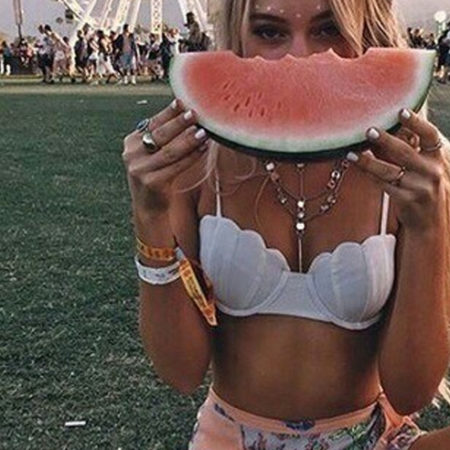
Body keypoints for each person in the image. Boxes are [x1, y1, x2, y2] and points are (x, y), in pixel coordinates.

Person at [122, 0, 450, 448]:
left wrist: (430, 227)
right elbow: (181, 371)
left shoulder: (413, 172)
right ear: (239, 36)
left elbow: (411, 390)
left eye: (329, 30)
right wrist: (151, 216)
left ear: (368, 31)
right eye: (270, 32)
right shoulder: (195, 161)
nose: (300, 58)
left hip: (371, 436)